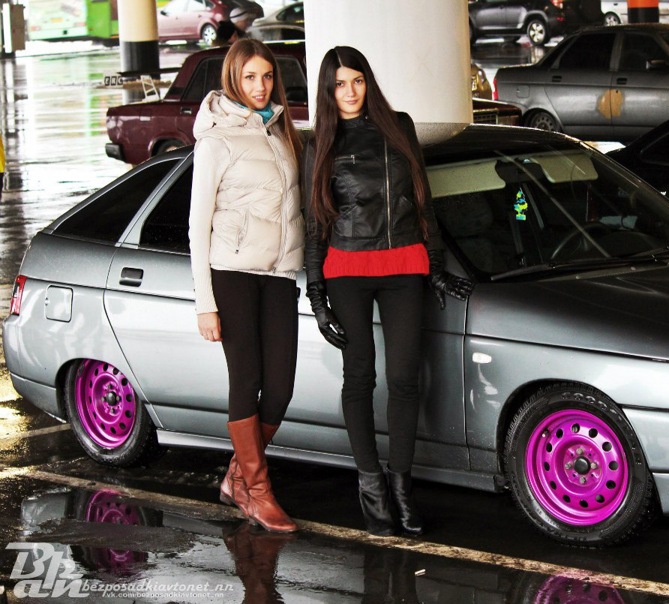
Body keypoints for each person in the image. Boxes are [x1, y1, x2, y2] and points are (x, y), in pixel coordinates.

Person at [302, 46, 473, 537]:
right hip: (347, 269)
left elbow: (423, 199)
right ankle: (371, 486)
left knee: (404, 379)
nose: (350, 91)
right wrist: (317, 297)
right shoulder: (320, 143)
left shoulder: (399, 126)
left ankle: (402, 489)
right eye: (340, 84)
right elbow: (315, 222)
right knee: (359, 376)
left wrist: (434, 267)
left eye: (357, 81)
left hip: (404, 265)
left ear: (368, 82)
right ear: (328, 90)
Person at [188, 38, 304, 533]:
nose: (260, 86)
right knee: (247, 379)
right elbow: (197, 224)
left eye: (267, 76)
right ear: (233, 79)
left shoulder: (281, 131)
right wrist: (205, 303)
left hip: (279, 273)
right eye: (250, 77)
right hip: (231, 273)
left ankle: (237, 476)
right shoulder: (216, 140)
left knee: (280, 388)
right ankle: (256, 492)